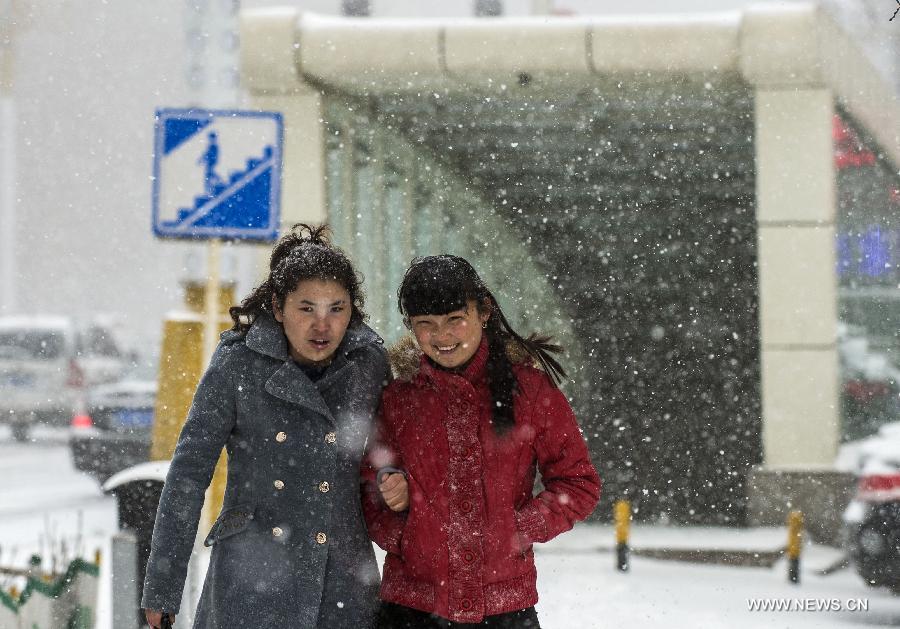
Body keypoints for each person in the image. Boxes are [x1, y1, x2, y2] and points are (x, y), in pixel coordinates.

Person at [142, 224, 390, 629]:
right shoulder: (239, 363)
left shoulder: (368, 365)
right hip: (250, 576)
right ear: (278, 307)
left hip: (341, 579)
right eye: (306, 308)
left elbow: (394, 453)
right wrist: (163, 586)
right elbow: (189, 473)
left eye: (336, 309)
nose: (321, 325)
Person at [363, 255, 601, 628]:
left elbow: (579, 483)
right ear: (410, 326)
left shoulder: (531, 389)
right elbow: (368, 484)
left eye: (455, 320)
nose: (442, 337)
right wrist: (401, 523)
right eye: (426, 325)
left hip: (505, 610)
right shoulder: (399, 396)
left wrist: (519, 530)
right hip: (411, 608)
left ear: (484, 311)